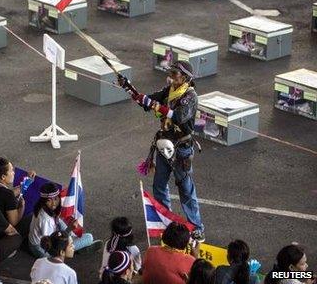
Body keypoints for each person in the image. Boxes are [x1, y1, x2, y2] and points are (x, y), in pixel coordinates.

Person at [118, 60, 205, 241]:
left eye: (175, 74)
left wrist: (154, 105)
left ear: (185, 78)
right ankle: (166, 221)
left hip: (181, 148)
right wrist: (128, 88)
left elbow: (180, 116)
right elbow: (145, 100)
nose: (171, 77)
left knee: (186, 189)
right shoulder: (169, 90)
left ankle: (197, 227)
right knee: (159, 185)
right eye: (171, 73)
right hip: (164, 145)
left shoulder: (190, 96)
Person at [29, 182, 101, 258]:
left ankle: (76, 244)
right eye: (49, 200)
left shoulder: (41, 207)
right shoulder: (45, 219)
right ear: (43, 201)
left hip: (48, 235)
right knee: (89, 238)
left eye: (56, 199)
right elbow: (54, 244)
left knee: (65, 227)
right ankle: (77, 246)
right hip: (42, 247)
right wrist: (68, 230)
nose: (54, 203)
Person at [0, 157, 26, 226]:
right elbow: (14, 222)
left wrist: (28, 179)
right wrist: (22, 207)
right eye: (11, 171)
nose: (14, 173)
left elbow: (7, 193)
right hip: (0, 231)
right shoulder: (8, 195)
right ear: (3, 177)